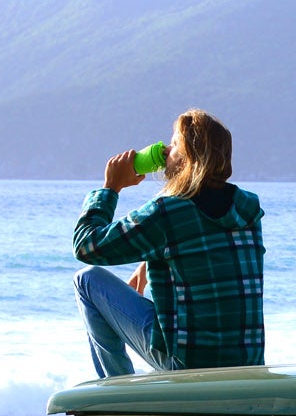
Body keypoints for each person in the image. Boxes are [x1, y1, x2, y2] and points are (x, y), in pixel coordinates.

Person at [72, 109, 265, 378]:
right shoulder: (247, 208)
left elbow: (87, 245)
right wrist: (148, 263)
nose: (164, 151)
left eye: (174, 145)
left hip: (188, 365)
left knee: (87, 280)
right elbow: (205, 245)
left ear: (187, 159)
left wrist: (110, 188)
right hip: (247, 364)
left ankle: (117, 389)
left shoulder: (167, 212)